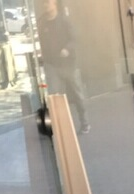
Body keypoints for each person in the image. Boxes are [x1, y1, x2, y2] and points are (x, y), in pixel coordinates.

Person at [37, 0, 89, 134]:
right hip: (52, 65)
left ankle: (84, 122)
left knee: (77, 94)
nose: (45, 5)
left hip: (69, 65)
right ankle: (59, 125)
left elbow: (75, 39)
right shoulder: (42, 22)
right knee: (54, 95)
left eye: (48, 3)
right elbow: (41, 41)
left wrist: (67, 49)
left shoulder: (64, 21)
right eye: (44, 3)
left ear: (54, 4)